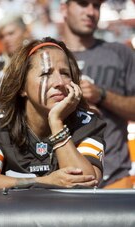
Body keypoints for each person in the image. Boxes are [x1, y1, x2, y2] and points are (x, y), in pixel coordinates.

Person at [0, 37, 106, 190]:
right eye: (45, 74)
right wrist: (43, 182)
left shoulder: (87, 122)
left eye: (65, 73)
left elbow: (85, 184)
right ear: (22, 87)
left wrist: (57, 124)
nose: (59, 82)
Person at [61, 0, 135, 188]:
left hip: (114, 176)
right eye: (83, 4)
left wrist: (101, 95)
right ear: (64, 8)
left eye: (96, 5)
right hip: (61, 178)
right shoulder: (48, 54)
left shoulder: (121, 53)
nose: (91, 12)